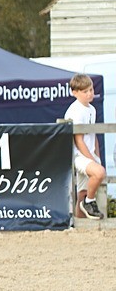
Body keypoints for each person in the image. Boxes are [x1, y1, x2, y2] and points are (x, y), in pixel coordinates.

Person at [64, 73, 106, 220]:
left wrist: (96, 156)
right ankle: (90, 201)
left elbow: (93, 136)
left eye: (91, 90)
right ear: (74, 93)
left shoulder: (92, 109)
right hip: (78, 155)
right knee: (99, 173)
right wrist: (91, 160)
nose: (90, 94)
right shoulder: (75, 110)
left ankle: (80, 226)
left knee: (82, 193)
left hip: (88, 155)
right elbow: (79, 140)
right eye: (85, 91)